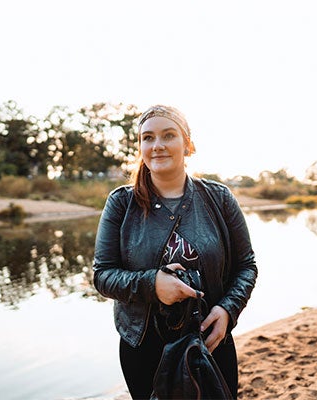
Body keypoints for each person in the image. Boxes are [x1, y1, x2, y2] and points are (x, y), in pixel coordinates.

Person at [93, 105, 257, 399]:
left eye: (168, 135)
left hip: (211, 339)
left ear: (188, 144)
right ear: (140, 146)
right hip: (142, 344)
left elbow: (246, 266)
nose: (157, 146)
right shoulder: (120, 203)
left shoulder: (219, 198)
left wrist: (227, 310)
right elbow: (102, 275)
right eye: (148, 137)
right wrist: (152, 284)